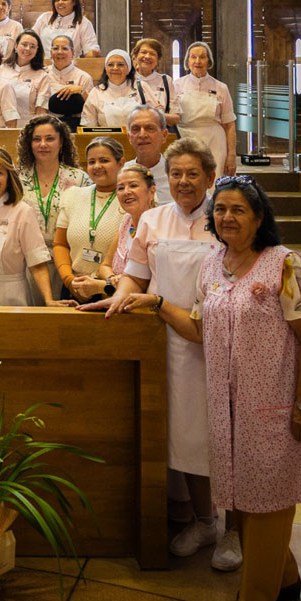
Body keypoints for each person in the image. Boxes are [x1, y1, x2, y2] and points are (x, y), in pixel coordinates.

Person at [121, 177, 301, 601]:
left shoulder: (284, 264)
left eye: (238, 209)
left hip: (276, 408)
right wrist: (158, 303)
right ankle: (286, 579)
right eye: (220, 209)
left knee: (264, 504)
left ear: (259, 217)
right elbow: (199, 330)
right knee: (251, 499)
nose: (227, 217)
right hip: (229, 410)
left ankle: (255, 599)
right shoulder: (213, 264)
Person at [84, 138, 235, 569]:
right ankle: (205, 522)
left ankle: (236, 532)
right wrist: (116, 301)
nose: (183, 181)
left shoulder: (225, 216)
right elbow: (135, 276)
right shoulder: (153, 219)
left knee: (229, 438)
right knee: (187, 436)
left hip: (221, 341)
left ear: (210, 177)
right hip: (168, 343)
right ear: (166, 179)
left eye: (193, 173)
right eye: (176, 174)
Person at [0, 145, 57, 306]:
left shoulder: (22, 212)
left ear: (9, 177)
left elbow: (37, 263)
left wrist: (49, 300)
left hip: (10, 298)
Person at [16, 115, 92, 286]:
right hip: (26, 262)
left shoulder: (79, 179)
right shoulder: (17, 178)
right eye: (37, 139)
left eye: (50, 139)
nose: (43, 144)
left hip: (67, 260)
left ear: (61, 142)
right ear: (29, 143)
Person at [53, 137, 126, 302]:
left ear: (121, 163)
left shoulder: (130, 199)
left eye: (104, 160)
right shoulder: (73, 195)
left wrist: (103, 285)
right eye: (92, 162)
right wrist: (69, 281)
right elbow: (60, 244)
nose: (97, 166)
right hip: (74, 288)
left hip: (112, 291)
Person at [175, 41, 237, 176]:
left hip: (215, 143)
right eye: (193, 57)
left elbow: (230, 124)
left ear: (209, 61)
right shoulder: (176, 85)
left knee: (214, 179)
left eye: (202, 57)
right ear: (187, 61)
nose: (197, 61)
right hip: (185, 140)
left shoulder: (221, 88)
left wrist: (232, 155)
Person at [107, 162, 156, 284]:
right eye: (121, 188)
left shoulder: (159, 226)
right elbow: (105, 265)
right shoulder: (127, 222)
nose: (126, 192)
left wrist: (106, 285)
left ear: (151, 191)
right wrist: (111, 280)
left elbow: (152, 280)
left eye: (133, 185)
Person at [0, 30, 52, 120]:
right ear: (16, 46)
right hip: (1, 123)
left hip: (27, 124)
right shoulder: (2, 69)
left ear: (37, 51)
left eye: (32, 46)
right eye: (24, 44)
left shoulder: (43, 76)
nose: (28, 49)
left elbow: (41, 111)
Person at [45, 34, 94, 133]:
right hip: (49, 125)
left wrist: (81, 91)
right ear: (50, 53)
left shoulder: (84, 77)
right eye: (55, 48)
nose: (59, 52)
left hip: (77, 126)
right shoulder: (43, 74)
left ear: (72, 53)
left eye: (64, 48)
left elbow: (91, 109)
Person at [32, 0, 100, 56]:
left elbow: (90, 48)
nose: (60, 2)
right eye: (57, 0)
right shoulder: (44, 18)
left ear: (74, 2)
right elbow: (31, 39)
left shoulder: (83, 23)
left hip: (71, 62)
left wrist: (93, 52)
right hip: (44, 62)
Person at [126, 105, 173, 204]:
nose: (142, 135)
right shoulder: (121, 174)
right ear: (129, 137)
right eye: (136, 129)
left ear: (164, 135)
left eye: (150, 128)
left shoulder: (177, 174)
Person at [81, 50, 140, 128]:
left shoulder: (140, 87)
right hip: (106, 135)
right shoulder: (96, 92)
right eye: (110, 65)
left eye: (120, 65)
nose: (115, 68)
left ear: (128, 69)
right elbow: (88, 124)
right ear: (106, 70)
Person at [130, 37, 179, 126]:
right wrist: (158, 112)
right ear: (135, 57)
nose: (147, 56)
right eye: (143, 52)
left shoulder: (166, 81)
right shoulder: (128, 81)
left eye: (152, 54)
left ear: (158, 60)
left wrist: (149, 114)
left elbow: (176, 118)